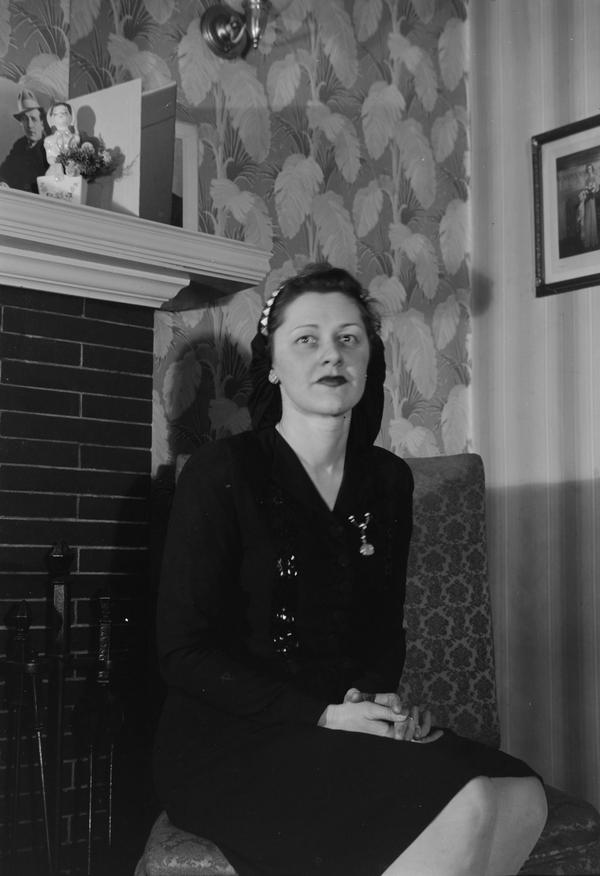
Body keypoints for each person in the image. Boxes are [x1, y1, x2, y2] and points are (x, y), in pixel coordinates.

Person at [154, 263, 547, 876]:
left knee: (521, 795)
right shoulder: (220, 472)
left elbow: (383, 630)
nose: (331, 354)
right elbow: (183, 652)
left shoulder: (387, 480)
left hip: (338, 726)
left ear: (368, 359)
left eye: (348, 338)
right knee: (466, 802)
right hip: (229, 741)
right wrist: (324, 715)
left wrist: (378, 707)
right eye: (306, 339)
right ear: (273, 363)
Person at [0, 89, 49, 192]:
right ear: (21, 123)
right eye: (25, 119)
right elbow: (5, 170)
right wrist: (3, 182)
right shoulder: (20, 144)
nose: (30, 125)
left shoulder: (50, 146)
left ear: (42, 122)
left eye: (34, 119)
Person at [43, 101, 80, 178]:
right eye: (56, 114)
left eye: (64, 113)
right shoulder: (49, 140)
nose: (60, 115)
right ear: (52, 119)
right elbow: (49, 157)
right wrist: (57, 161)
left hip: (71, 168)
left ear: (70, 116)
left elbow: (76, 155)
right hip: (56, 169)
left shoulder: (73, 138)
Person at [578, 163, 599, 250]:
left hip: (592, 199)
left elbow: (597, 188)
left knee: (592, 217)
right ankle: (588, 240)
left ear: (592, 169)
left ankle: (593, 240)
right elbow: (585, 189)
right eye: (588, 169)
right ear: (587, 170)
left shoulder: (595, 177)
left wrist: (593, 190)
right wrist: (586, 191)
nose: (589, 170)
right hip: (587, 200)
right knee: (587, 218)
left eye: (590, 168)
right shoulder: (586, 179)